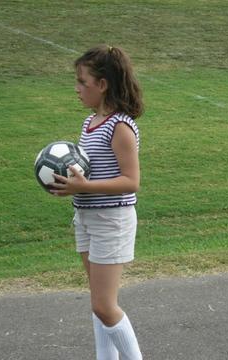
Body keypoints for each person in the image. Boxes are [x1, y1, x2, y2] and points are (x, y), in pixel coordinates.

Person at [50, 44, 144, 360]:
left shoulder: (120, 127)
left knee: (105, 305)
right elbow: (89, 171)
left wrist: (84, 185)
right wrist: (69, 182)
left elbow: (132, 181)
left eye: (82, 82)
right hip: (88, 218)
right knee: (98, 303)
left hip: (112, 221)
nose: (76, 89)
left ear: (102, 85)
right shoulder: (89, 123)